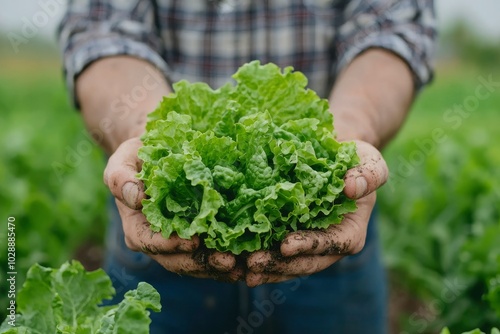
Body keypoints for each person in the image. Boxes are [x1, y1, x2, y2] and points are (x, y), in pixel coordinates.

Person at [58, 1, 435, 333]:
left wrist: (348, 132)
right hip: (160, 229)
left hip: (330, 228)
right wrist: (150, 136)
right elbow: (101, 30)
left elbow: (393, 28)